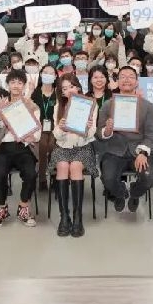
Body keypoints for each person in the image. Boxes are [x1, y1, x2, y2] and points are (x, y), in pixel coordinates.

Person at [97, 66, 153, 213]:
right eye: (123, 76)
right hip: (114, 150)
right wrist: (107, 130)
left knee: (149, 178)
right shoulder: (107, 105)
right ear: (117, 82)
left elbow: (152, 133)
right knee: (108, 179)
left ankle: (134, 193)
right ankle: (120, 193)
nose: (126, 79)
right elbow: (99, 133)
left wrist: (143, 153)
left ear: (137, 82)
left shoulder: (148, 106)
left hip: (139, 150)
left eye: (131, 76)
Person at [0, 70, 42, 229]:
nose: (16, 85)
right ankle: (2, 207)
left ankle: (23, 206)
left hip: (24, 147)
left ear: (24, 86)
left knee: (31, 173)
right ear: (7, 85)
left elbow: (37, 131)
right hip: (3, 147)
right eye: (13, 82)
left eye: (19, 82)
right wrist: (1, 115)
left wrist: (31, 137)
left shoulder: (31, 105)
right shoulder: (0, 103)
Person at [50, 74, 98, 237]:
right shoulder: (58, 107)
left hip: (83, 146)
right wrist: (61, 128)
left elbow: (91, 134)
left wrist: (88, 128)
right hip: (62, 146)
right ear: (61, 92)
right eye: (64, 88)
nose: (69, 90)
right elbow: (57, 136)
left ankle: (78, 217)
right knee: (63, 166)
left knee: (76, 167)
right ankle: (64, 216)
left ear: (78, 87)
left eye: (71, 86)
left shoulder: (89, 104)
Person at [31, 64, 58, 191]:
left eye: (51, 73)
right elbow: (29, 110)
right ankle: (42, 178)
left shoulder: (58, 92)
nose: (48, 75)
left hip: (55, 125)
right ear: (41, 75)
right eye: (45, 72)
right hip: (39, 125)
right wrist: (28, 93)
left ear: (55, 76)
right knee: (42, 145)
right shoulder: (35, 92)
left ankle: (54, 175)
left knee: (52, 145)